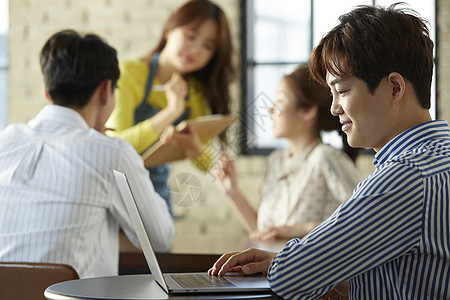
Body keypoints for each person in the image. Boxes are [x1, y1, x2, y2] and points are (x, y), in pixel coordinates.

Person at [209, 3, 450, 299]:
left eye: (343, 91)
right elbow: (406, 279)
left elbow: (292, 278)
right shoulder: (439, 158)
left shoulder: (404, 176)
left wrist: (290, 264)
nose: (334, 108)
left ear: (395, 89)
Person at [0, 30, 175, 279]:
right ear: (106, 91)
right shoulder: (112, 154)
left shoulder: (5, 141)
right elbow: (161, 238)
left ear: (47, 93)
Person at [105, 0, 235, 215]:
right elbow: (116, 147)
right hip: (116, 196)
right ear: (170, 28)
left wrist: (193, 145)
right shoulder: (129, 73)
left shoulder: (195, 93)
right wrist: (171, 112)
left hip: (156, 197)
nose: (195, 49)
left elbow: (206, 165)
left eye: (208, 46)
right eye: (191, 36)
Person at [214, 65, 362, 241]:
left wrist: (301, 229)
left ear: (308, 111)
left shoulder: (325, 157)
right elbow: (266, 233)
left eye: (280, 101)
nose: (271, 110)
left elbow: (367, 219)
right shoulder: (275, 160)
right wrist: (233, 192)